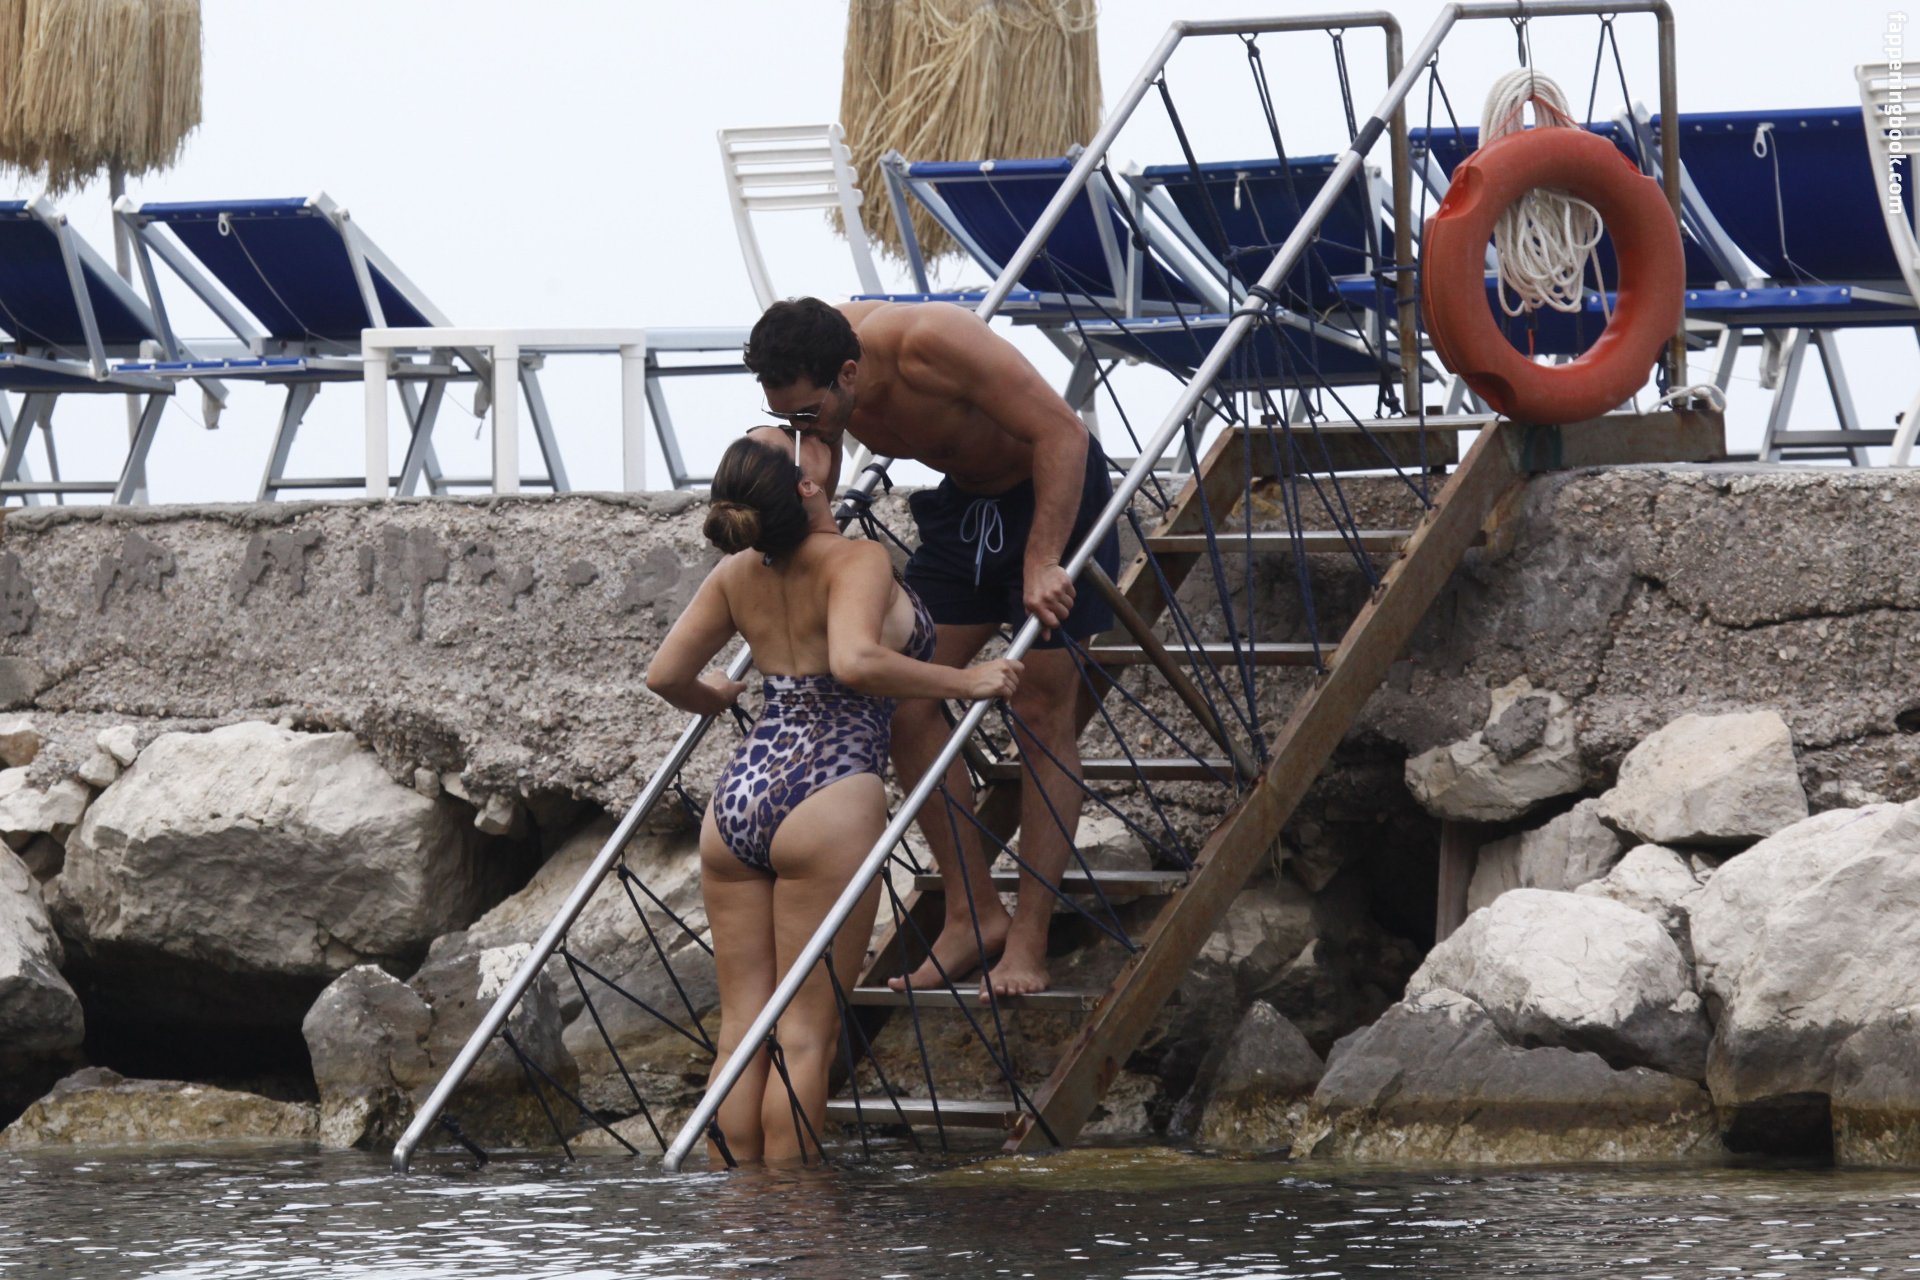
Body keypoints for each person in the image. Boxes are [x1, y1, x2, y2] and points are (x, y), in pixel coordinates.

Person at [645, 426, 1021, 1165]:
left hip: (742, 795)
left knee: (741, 1029)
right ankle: (798, 1219)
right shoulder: (857, 559)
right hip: (829, 787)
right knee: (805, 1035)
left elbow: (665, 676)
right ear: (807, 486)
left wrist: (714, 696)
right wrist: (966, 680)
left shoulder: (736, 573)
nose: (815, 439)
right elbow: (854, 662)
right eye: (802, 443)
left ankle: (734, 1216)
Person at [742, 297, 1121, 999]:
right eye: (786, 416)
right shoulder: (816, 372)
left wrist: (1042, 559)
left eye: (808, 415)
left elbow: (1064, 434)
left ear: (848, 373)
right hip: (964, 512)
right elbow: (809, 474)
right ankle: (974, 913)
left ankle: (1030, 936)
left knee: (1040, 712)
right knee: (901, 699)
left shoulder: (931, 341)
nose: (802, 430)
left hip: (1049, 496)